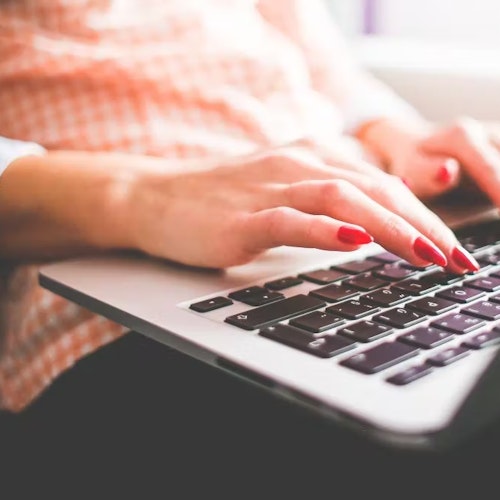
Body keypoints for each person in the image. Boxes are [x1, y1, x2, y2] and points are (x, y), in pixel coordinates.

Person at [1, 0, 500, 488]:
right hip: (122, 312)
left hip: (365, 227)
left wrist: (403, 138)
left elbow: (332, 80)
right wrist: (141, 195)